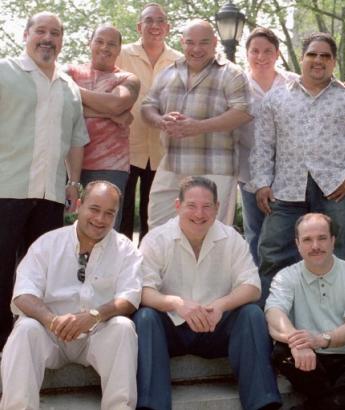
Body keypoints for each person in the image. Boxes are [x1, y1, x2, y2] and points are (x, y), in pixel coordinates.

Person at [249, 32, 345, 303]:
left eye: (325, 56)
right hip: (285, 191)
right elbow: (262, 144)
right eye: (312, 54)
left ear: (334, 62)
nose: (318, 60)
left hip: (336, 191)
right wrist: (262, 182)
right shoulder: (276, 99)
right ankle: (272, 329)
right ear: (301, 58)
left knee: (336, 257)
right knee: (273, 255)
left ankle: (330, 332)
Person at [134, 176, 282, 410]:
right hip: (172, 330)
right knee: (145, 318)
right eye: (191, 206)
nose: (199, 214)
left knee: (252, 314)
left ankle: (263, 404)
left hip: (216, 327)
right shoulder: (156, 239)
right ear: (177, 205)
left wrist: (221, 306)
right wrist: (176, 303)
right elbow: (142, 291)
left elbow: (252, 286)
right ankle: (152, 406)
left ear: (217, 208)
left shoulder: (231, 238)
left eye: (206, 206)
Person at [0, 181, 143, 410]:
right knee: (26, 329)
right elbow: (23, 294)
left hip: (96, 335)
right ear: (78, 205)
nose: (100, 219)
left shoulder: (126, 249)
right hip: (50, 334)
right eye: (94, 209)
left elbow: (130, 297)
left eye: (109, 213)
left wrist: (94, 316)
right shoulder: (49, 242)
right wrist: (51, 320)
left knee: (123, 327)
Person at [0, 12, 89, 350]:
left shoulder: (69, 87)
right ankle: (2, 348)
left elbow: (77, 139)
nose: (48, 38)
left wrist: (74, 183)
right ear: (26, 34)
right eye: (41, 31)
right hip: (5, 189)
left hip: (50, 195)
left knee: (43, 275)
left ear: (62, 41)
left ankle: (34, 344)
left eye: (56, 33)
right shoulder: (4, 72)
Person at [265, 213, 345, 410]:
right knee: (281, 353)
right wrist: (298, 342)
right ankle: (335, 402)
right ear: (298, 244)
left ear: (333, 241)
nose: (315, 246)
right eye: (307, 240)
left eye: (322, 238)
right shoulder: (286, 276)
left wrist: (319, 339)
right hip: (306, 358)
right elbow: (274, 314)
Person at [141, 20, 252, 229]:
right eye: (190, 42)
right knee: (157, 229)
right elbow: (147, 107)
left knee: (212, 235)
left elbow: (243, 112)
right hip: (172, 165)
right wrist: (160, 120)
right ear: (182, 42)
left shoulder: (232, 73)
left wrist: (199, 126)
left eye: (204, 42)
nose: (196, 49)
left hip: (214, 168)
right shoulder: (167, 73)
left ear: (215, 43)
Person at [117, 3, 182, 241]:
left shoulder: (180, 61)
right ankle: (120, 268)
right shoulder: (122, 54)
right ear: (139, 26)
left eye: (160, 21)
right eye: (149, 20)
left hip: (162, 150)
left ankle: (148, 270)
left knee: (154, 214)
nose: (155, 26)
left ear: (168, 27)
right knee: (121, 213)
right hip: (124, 147)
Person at [67, 24, 140, 230]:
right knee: (64, 228)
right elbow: (58, 103)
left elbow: (117, 103)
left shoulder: (128, 79)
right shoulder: (70, 72)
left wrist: (74, 93)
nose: (105, 48)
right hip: (67, 163)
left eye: (111, 44)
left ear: (119, 49)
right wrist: (112, 114)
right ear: (89, 43)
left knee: (103, 229)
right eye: (99, 41)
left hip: (110, 167)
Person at [238, 27, 298, 266]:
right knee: (255, 233)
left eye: (267, 51)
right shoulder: (237, 83)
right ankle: (257, 292)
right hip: (249, 171)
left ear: (277, 54)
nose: (261, 57)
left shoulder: (293, 82)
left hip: (288, 172)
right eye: (255, 51)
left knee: (288, 234)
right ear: (247, 54)